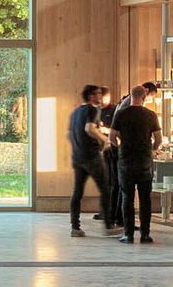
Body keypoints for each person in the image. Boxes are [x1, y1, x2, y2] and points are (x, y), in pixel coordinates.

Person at [111, 84, 164, 245]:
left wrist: (120, 147)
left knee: (127, 198)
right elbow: (159, 139)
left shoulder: (120, 114)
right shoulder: (151, 115)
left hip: (126, 161)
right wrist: (152, 150)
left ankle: (128, 235)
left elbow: (111, 137)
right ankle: (145, 234)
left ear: (131, 96)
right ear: (144, 97)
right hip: (144, 162)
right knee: (145, 199)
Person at [67, 85, 115, 234]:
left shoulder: (75, 112)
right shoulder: (92, 110)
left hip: (77, 157)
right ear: (91, 96)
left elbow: (70, 134)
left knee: (77, 192)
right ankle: (108, 226)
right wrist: (104, 140)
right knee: (106, 189)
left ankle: (75, 227)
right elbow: (89, 129)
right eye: (98, 93)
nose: (101, 96)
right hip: (92, 157)